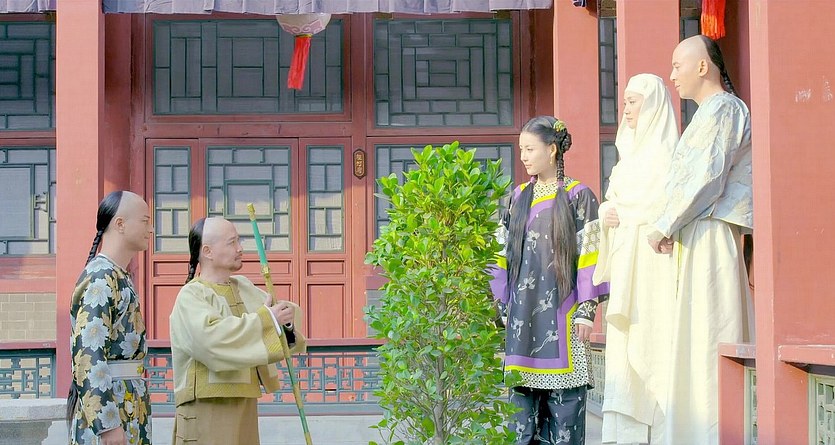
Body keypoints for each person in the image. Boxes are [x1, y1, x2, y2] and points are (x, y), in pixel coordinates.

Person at [646, 35, 754, 445]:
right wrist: (671, 224)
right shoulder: (709, 112)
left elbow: (706, 177)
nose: (672, 75)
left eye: (678, 65)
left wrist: (664, 224)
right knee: (694, 332)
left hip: (711, 231)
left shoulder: (724, 108)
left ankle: (714, 431)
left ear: (703, 66)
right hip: (696, 229)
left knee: (710, 330)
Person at [490, 116, 609, 445]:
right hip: (521, 322)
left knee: (564, 420)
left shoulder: (579, 196)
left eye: (530, 149)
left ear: (552, 149)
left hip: (564, 319)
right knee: (521, 427)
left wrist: (586, 310)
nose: (523, 157)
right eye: (521, 150)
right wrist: (502, 306)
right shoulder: (517, 197)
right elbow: (499, 254)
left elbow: (591, 254)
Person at [593, 74, 679, 444]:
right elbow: (612, 202)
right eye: (625, 102)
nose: (626, 110)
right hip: (627, 266)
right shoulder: (626, 159)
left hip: (654, 267)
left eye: (633, 102)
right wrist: (606, 213)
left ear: (653, 105)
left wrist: (623, 212)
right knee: (625, 352)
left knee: (654, 342)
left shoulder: (670, 157)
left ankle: (661, 431)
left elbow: (666, 210)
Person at [169, 217, 307, 445]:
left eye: (239, 241)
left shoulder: (243, 287)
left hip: (244, 402)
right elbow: (211, 341)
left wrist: (285, 320)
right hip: (208, 405)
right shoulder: (191, 295)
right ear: (207, 251)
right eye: (232, 242)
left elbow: (275, 320)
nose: (240, 248)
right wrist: (268, 319)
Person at [68, 190, 154, 445]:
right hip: (112, 409)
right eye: (145, 221)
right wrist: (107, 425)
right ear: (120, 224)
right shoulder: (101, 276)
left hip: (127, 400)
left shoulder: (116, 274)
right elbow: (88, 355)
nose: (151, 229)